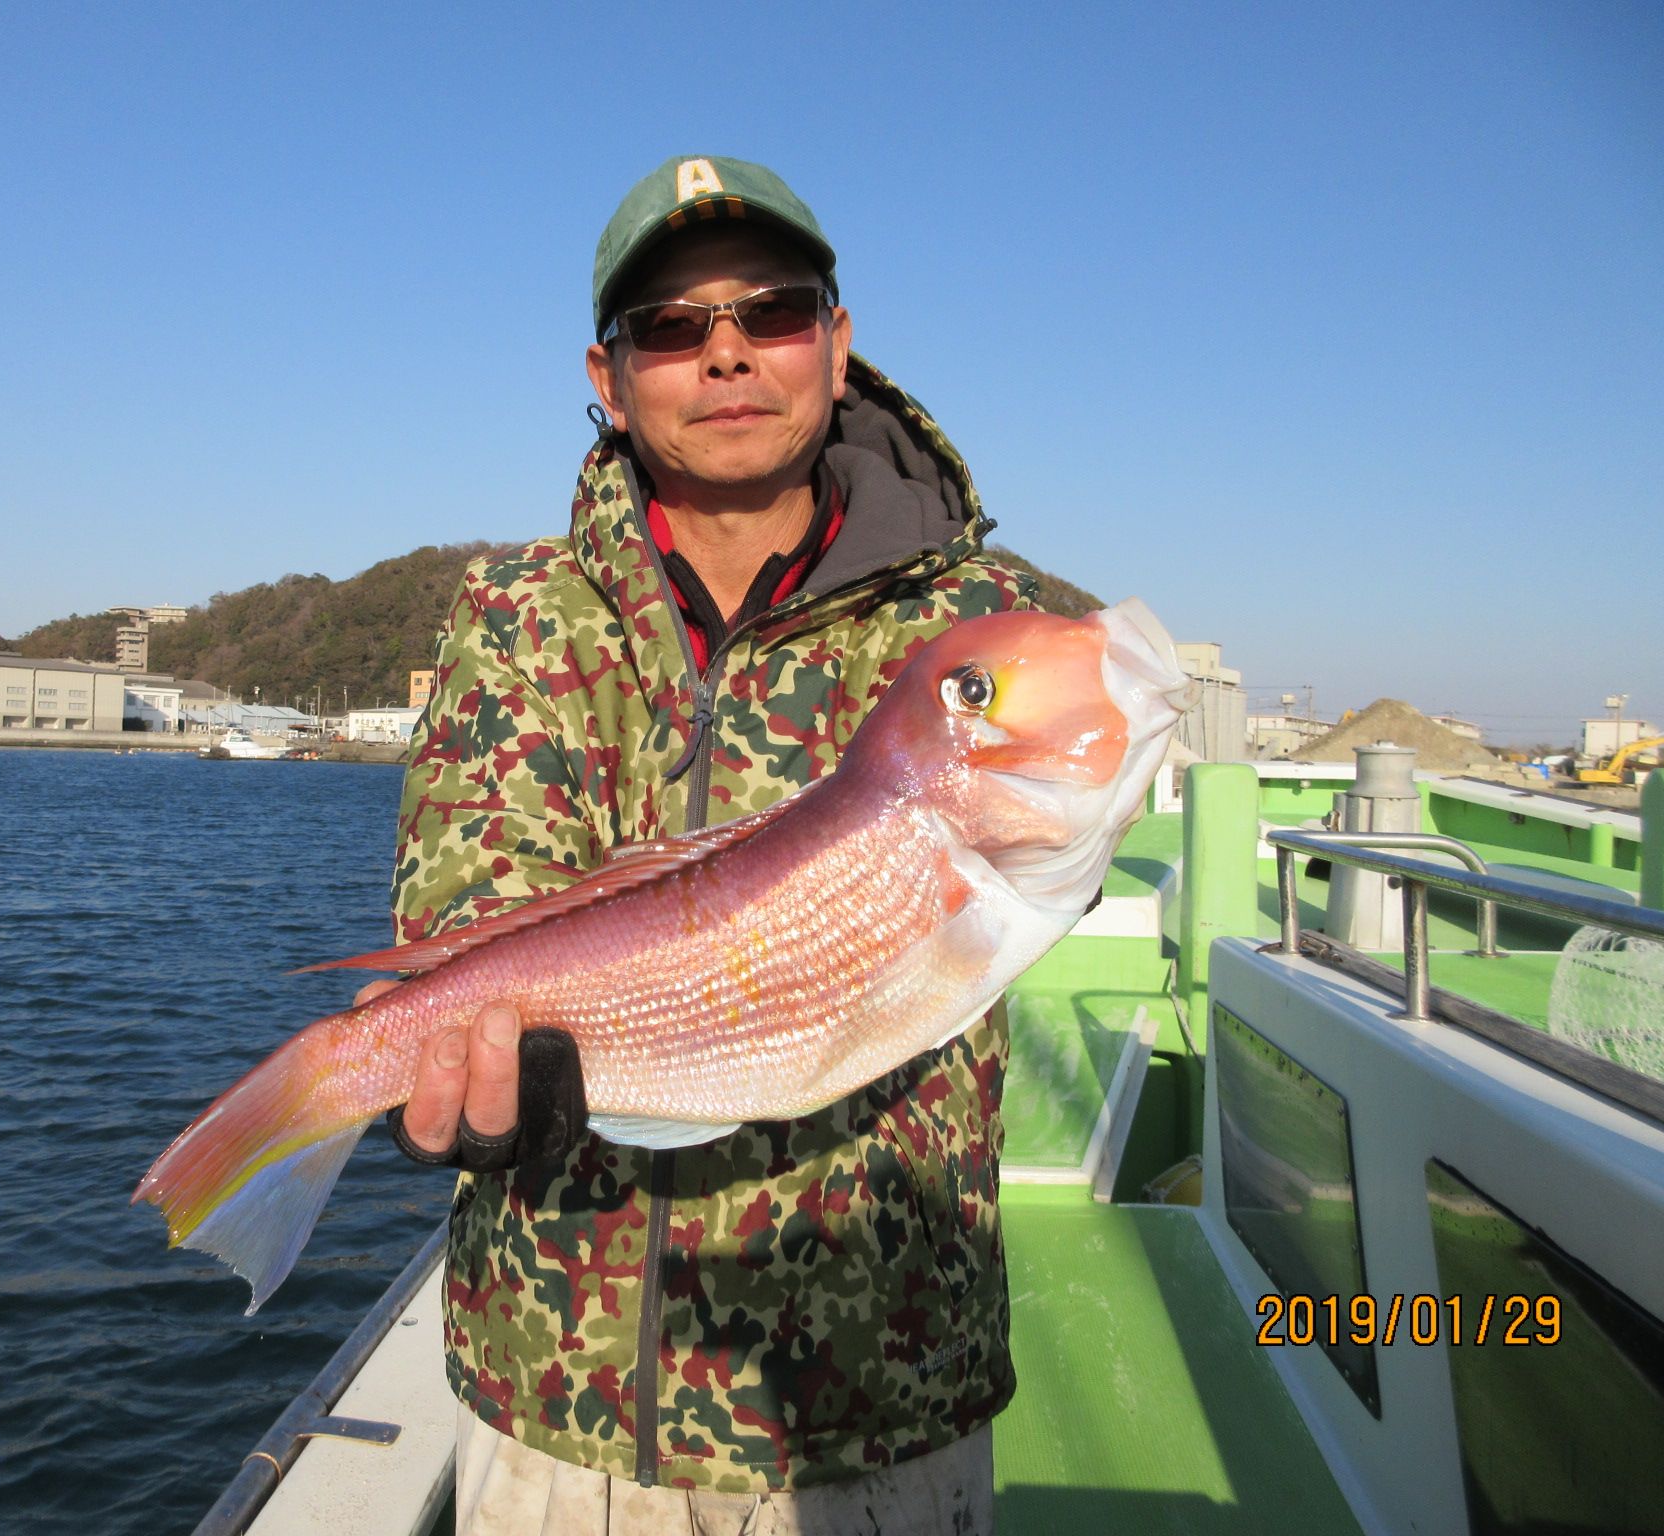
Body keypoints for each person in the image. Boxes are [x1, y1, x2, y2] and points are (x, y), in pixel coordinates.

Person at [368, 155, 1037, 1533]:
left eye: (770, 311)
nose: (726, 352)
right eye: (671, 326)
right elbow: (473, 900)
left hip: (884, 1396)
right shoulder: (515, 612)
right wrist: (459, 1065)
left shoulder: (976, 635)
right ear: (608, 380)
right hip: (557, 1398)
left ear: (837, 345)